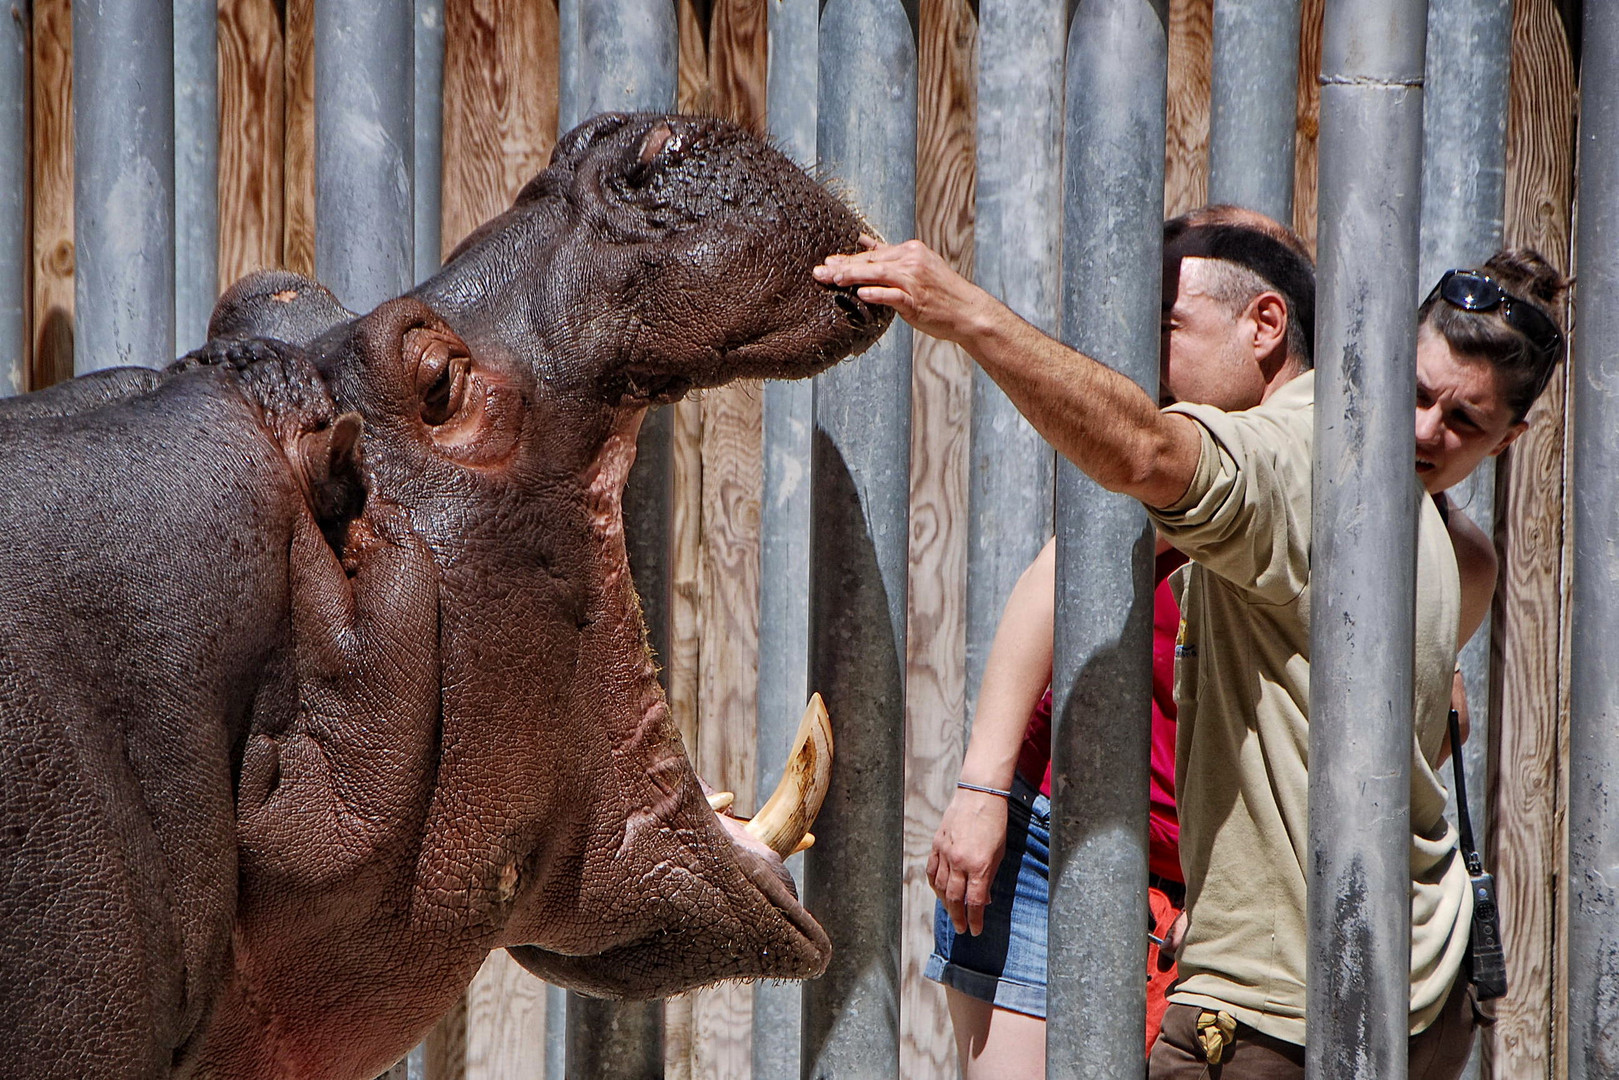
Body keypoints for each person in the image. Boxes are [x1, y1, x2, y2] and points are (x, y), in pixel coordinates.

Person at [814, 234, 1566, 1078]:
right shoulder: (1300, 462)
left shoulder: (1448, 549)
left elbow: (1360, 754)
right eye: (1415, 395)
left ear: (1507, 441)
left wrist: (964, 312)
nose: (1426, 430)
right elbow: (1091, 536)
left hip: (1323, 982)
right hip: (1153, 878)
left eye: (1464, 420)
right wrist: (985, 786)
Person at [922, 209, 1316, 1080]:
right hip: (1060, 823)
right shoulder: (1188, 452)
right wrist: (983, 789)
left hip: (1226, 873)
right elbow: (1052, 588)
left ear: (1265, 322)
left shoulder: (1288, 461)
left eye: (1168, 325)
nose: (1147, 354)